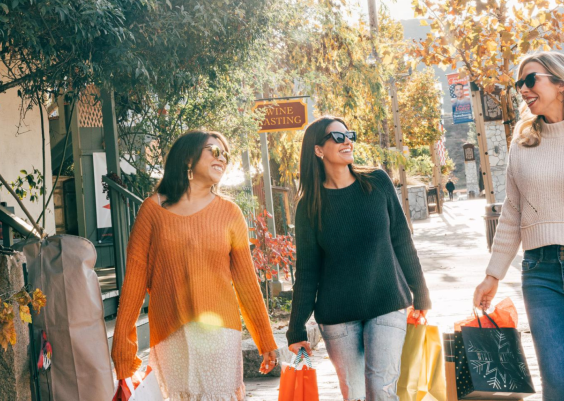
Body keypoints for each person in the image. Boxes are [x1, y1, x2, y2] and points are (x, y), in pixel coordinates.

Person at [473, 52, 564, 400]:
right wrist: (492, 275)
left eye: (531, 80)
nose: (523, 90)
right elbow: (512, 213)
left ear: (561, 83)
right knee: (556, 380)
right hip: (539, 271)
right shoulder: (523, 142)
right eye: (520, 84)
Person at [111, 131, 278, 400]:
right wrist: (122, 347)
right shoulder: (152, 211)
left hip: (221, 333)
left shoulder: (230, 213)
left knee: (219, 396)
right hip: (170, 332)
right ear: (188, 158)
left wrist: (265, 339)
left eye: (225, 154)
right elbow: (134, 281)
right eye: (214, 150)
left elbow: (247, 284)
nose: (222, 158)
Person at [287, 116, 432, 401]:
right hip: (337, 314)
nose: (347, 141)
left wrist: (421, 293)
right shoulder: (309, 206)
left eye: (349, 135)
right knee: (353, 393)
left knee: (381, 389)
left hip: (387, 302)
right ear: (318, 150)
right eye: (337, 137)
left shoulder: (377, 182)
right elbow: (306, 272)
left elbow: (402, 240)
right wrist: (296, 327)